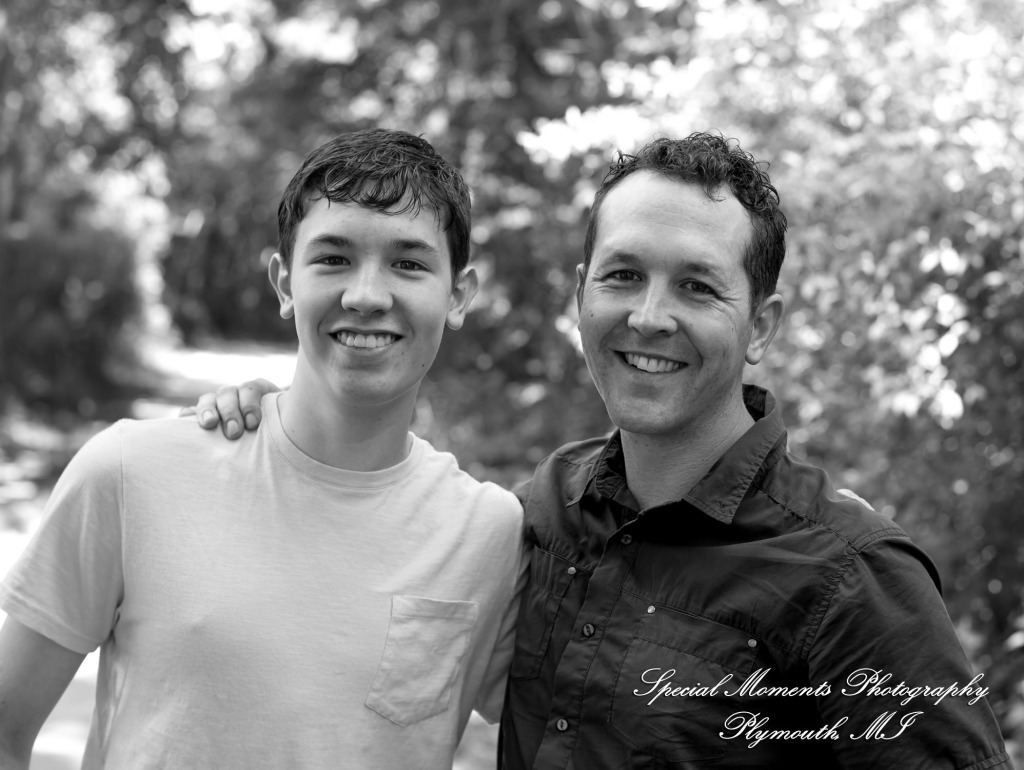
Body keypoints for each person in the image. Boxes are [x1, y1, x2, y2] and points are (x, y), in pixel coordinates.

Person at [187, 132, 1012, 768]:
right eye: (622, 276)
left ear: (761, 325)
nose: (649, 317)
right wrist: (283, 424)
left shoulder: (850, 578)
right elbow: (354, 579)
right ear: (581, 291)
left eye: (697, 285)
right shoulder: (540, 516)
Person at [0, 128, 524, 769]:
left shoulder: (490, 533)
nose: (365, 295)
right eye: (332, 258)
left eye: (409, 263)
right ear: (283, 283)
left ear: (459, 294)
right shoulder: (133, 472)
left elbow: (595, 717)